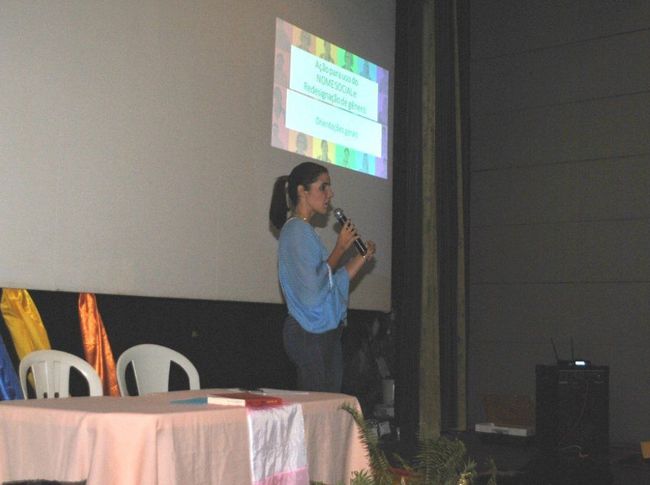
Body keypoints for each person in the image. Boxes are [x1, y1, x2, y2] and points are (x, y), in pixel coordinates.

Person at [269, 162, 376, 392]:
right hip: (309, 333)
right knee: (317, 406)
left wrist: (361, 257)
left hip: (324, 333)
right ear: (302, 191)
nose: (330, 193)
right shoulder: (295, 231)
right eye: (323, 187)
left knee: (329, 406)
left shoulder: (306, 231)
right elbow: (313, 287)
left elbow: (331, 282)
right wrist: (340, 247)